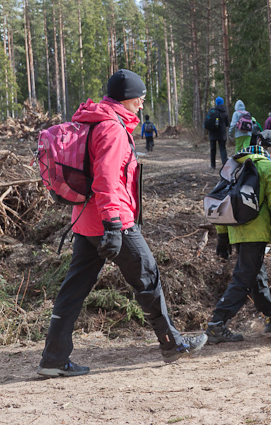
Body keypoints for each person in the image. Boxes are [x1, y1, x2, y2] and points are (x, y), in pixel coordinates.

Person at [37, 69, 207, 378]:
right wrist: (114, 226)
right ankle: (172, 344)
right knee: (148, 276)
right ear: (127, 98)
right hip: (112, 220)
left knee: (74, 289)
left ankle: (53, 359)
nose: (142, 104)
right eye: (140, 98)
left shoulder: (92, 120)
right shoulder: (112, 129)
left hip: (85, 221)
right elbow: (107, 181)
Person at [206, 131, 271, 343]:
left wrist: (222, 235)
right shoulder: (268, 168)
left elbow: (220, 199)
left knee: (255, 275)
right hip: (255, 232)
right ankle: (217, 323)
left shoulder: (235, 163)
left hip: (235, 229)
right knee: (243, 279)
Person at [206, 97, 230, 170]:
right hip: (222, 133)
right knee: (222, 148)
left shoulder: (212, 111)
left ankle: (213, 165)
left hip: (212, 132)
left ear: (216, 103)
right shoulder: (224, 111)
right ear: (222, 102)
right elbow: (227, 123)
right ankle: (225, 165)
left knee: (213, 149)